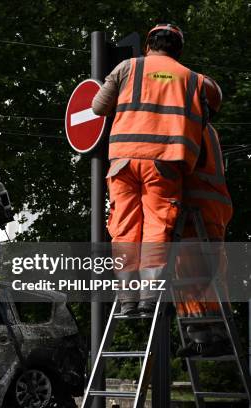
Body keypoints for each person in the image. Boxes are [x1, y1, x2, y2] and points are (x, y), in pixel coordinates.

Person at [92, 23, 206, 315]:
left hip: (122, 161)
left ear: (148, 45)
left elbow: (97, 107)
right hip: (164, 161)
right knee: (157, 226)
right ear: (178, 50)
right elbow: (209, 109)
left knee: (124, 228)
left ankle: (127, 299)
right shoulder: (192, 78)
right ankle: (148, 297)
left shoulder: (127, 68)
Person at [175, 77, 233, 357]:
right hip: (198, 211)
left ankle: (218, 335)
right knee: (188, 276)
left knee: (205, 276)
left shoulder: (196, 128)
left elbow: (182, 163)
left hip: (202, 210)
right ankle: (200, 337)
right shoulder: (203, 128)